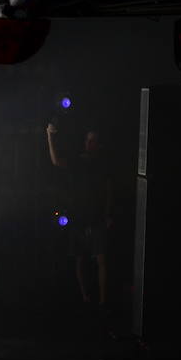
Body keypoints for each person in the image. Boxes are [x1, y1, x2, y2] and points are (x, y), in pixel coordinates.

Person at [46, 123, 113, 309]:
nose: (89, 144)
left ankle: (103, 300)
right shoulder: (78, 161)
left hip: (96, 218)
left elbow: (109, 191)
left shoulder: (103, 165)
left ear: (98, 144)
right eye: (88, 140)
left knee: (101, 259)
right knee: (80, 259)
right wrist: (49, 136)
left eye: (93, 141)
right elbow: (56, 161)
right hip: (79, 218)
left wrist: (108, 214)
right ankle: (85, 296)